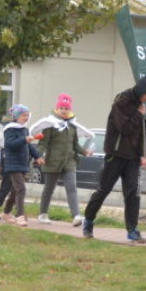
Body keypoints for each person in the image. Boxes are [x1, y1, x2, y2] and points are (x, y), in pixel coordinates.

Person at [83, 75, 146, 244]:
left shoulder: (141, 107)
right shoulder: (121, 101)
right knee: (104, 189)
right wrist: (138, 115)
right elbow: (124, 128)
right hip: (115, 154)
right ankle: (88, 221)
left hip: (133, 158)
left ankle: (132, 230)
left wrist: (144, 154)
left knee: (133, 193)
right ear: (140, 91)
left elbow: (143, 131)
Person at [28, 94, 94, 226]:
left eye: (66, 108)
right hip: (52, 161)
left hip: (69, 161)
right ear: (57, 109)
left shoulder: (72, 126)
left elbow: (75, 145)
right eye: (61, 108)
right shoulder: (51, 125)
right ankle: (43, 214)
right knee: (49, 188)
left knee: (71, 187)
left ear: (70, 110)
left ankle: (76, 216)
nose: (64, 110)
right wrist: (38, 156)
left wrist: (85, 151)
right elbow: (43, 143)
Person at [0, 105, 44, 227]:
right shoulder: (10, 129)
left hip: (23, 163)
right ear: (16, 116)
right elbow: (10, 144)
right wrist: (24, 140)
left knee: (15, 190)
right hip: (12, 163)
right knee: (21, 189)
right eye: (24, 115)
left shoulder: (24, 129)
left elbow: (28, 146)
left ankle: (6, 212)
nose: (26, 117)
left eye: (27, 115)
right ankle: (20, 216)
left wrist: (37, 156)